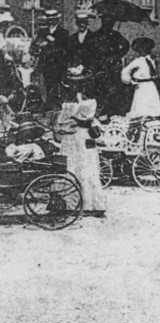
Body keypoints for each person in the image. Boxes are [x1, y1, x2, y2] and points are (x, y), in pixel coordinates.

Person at [54, 65, 106, 217]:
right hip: (85, 135)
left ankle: (74, 203)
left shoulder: (70, 105)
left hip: (75, 136)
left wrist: (66, 123)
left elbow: (63, 122)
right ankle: (91, 203)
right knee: (86, 166)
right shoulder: (91, 102)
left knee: (74, 165)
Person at [121, 38, 160, 118]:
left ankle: (151, 121)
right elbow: (125, 71)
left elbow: (154, 73)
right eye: (140, 48)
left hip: (151, 86)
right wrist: (129, 80)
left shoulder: (152, 60)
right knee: (141, 107)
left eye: (145, 48)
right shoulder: (138, 61)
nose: (142, 50)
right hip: (142, 87)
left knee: (152, 107)